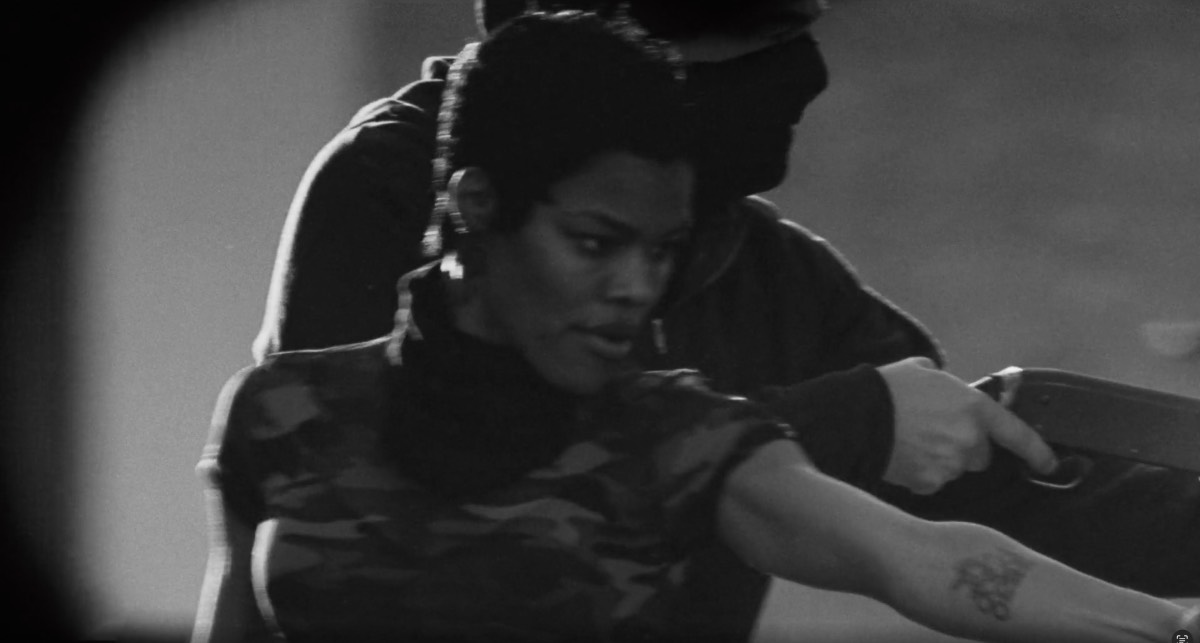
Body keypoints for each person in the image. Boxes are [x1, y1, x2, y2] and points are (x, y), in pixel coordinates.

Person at [193, 12, 1198, 642]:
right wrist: (851, 420)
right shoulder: (288, 402)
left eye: (660, 251)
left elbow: (921, 552)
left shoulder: (687, 416)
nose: (633, 289)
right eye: (595, 242)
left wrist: (1170, 624)